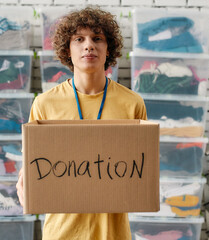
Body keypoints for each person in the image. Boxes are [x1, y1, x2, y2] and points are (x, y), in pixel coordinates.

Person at [16, 6, 147, 239]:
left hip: (113, 234)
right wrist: (24, 184)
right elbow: (31, 170)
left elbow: (140, 172)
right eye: (79, 39)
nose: (89, 45)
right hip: (62, 232)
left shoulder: (132, 104)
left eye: (97, 38)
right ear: (68, 49)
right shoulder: (44, 104)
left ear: (109, 49)